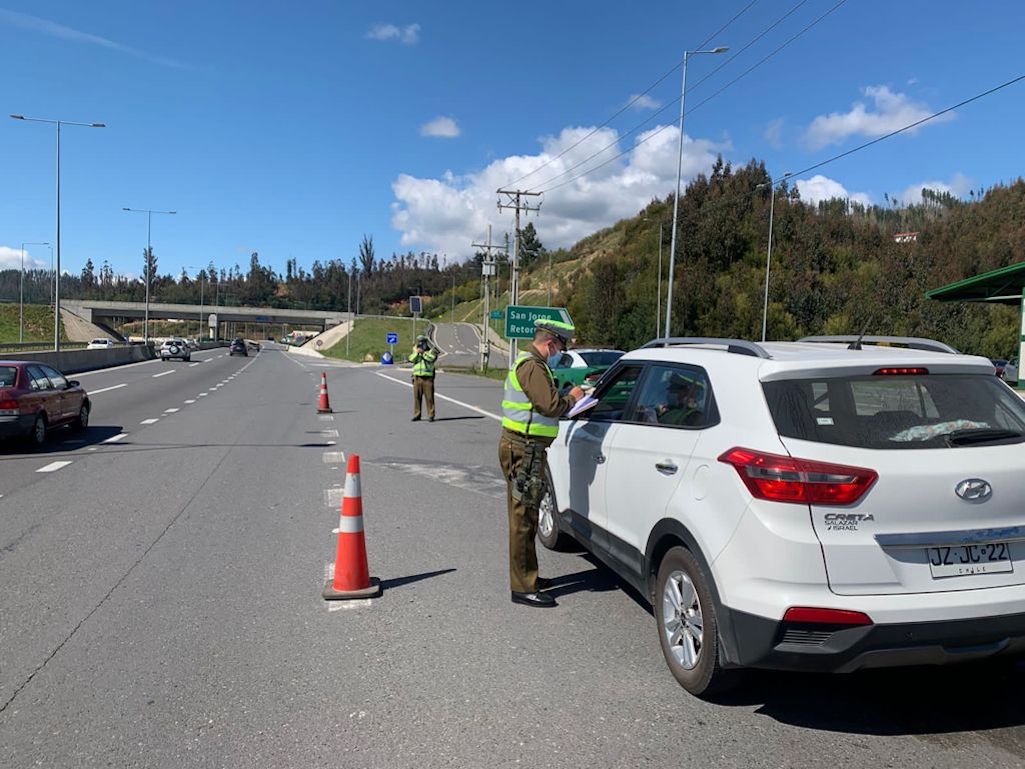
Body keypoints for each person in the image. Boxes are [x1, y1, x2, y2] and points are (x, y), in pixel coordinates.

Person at [500, 319, 585, 608]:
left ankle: (528, 577)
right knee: (523, 518)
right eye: (561, 346)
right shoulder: (533, 366)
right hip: (524, 449)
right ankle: (523, 586)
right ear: (550, 343)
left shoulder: (533, 364)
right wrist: (572, 399)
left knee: (527, 514)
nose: (562, 352)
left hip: (524, 448)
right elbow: (548, 406)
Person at [409, 335, 437, 422]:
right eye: (419, 341)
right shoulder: (415, 349)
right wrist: (417, 353)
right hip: (417, 377)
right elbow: (411, 358)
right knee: (417, 397)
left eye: (422, 341)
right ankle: (417, 414)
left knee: (429, 397)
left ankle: (431, 414)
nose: (420, 343)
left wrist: (423, 353)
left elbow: (431, 358)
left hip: (428, 378)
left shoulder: (431, 350)